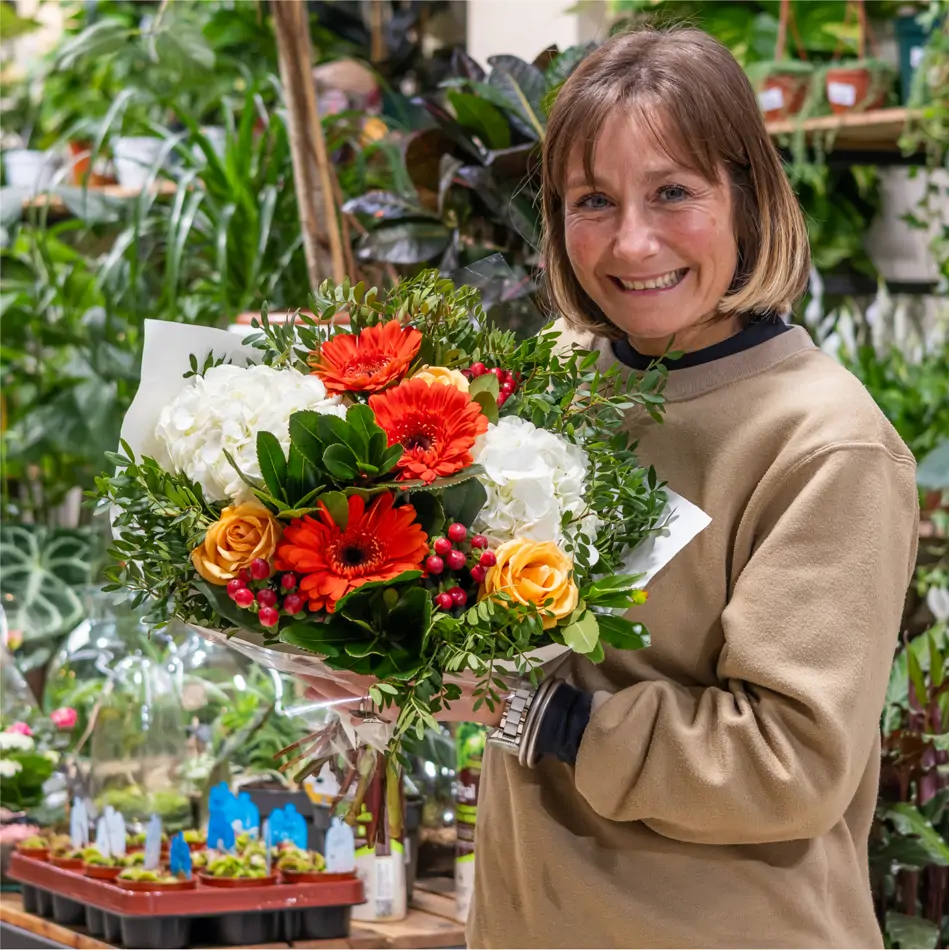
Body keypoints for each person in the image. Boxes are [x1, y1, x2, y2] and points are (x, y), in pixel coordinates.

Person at [305, 27, 919, 949]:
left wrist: (535, 714)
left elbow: (788, 763)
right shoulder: (565, 378)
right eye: (594, 200)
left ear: (748, 198)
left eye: (674, 192)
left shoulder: (826, 446)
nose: (633, 242)